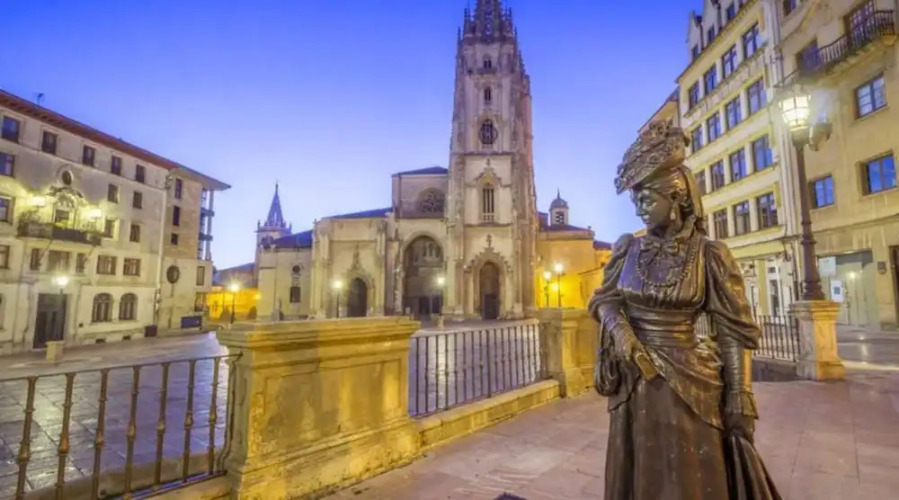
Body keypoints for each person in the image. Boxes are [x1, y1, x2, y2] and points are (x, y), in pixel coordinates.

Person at [589, 120, 781, 499]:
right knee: (639, 473)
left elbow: (734, 329)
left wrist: (739, 395)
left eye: (647, 200)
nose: (640, 210)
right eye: (636, 201)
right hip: (633, 385)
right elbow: (604, 299)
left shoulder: (709, 254)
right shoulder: (628, 249)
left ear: (676, 197)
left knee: (685, 478)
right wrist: (620, 331)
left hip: (690, 385)